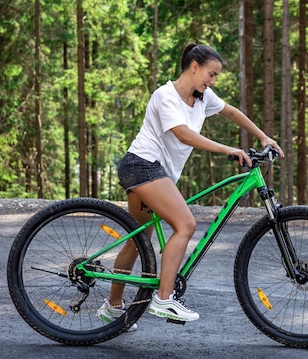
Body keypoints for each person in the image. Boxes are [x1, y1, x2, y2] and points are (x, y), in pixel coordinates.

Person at [96, 43, 284, 330]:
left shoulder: (202, 97)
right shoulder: (165, 96)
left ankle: (113, 307)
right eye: (211, 74)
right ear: (194, 66)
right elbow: (182, 134)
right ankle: (163, 297)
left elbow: (231, 112)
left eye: (216, 76)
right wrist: (226, 149)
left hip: (154, 173)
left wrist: (262, 136)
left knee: (139, 242)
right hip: (142, 166)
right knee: (185, 224)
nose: (213, 82)